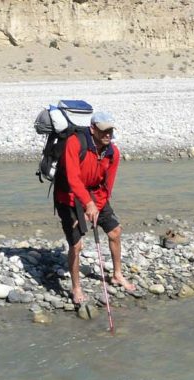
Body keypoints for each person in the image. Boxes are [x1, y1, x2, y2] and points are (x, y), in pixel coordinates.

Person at [53, 110, 136, 305]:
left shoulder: (113, 153)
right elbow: (73, 179)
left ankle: (117, 274)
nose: (108, 134)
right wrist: (87, 204)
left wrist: (95, 207)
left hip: (95, 195)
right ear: (92, 129)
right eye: (103, 131)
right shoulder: (75, 143)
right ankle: (76, 288)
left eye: (111, 131)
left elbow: (108, 187)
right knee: (76, 244)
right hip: (69, 196)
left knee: (115, 231)